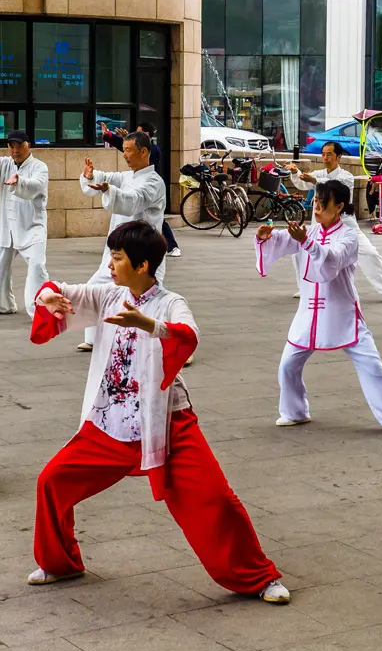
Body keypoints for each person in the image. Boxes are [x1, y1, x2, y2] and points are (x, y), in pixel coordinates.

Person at [26, 221, 290, 602]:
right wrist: (46, 299)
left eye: (117, 258)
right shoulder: (107, 296)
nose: (110, 265)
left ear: (143, 265)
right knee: (51, 481)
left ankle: (258, 577)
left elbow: (188, 335)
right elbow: (59, 291)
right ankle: (60, 562)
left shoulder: (170, 302)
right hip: (108, 423)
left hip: (166, 423)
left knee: (216, 498)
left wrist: (148, 324)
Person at [256, 180, 382, 434]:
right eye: (315, 202)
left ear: (339, 207)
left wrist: (306, 242)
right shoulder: (310, 231)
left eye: (323, 204)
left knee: (372, 366)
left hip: (341, 312)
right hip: (308, 314)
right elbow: (282, 240)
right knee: (288, 365)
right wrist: (264, 238)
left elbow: (332, 261)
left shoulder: (348, 236)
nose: (317, 208)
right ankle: (294, 411)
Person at [77, 131, 167, 352]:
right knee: (95, 287)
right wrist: (91, 176)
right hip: (119, 251)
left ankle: (171, 340)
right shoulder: (127, 176)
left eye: (128, 150)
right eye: (124, 150)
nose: (125, 155)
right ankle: (93, 338)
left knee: (151, 299)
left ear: (143, 152)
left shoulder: (154, 183)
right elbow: (107, 178)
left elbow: (133, 201)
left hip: (143, 251)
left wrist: (110, 191)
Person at [288, 142, 382, 303]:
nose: (325, 157)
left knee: (370, 253)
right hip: (321, 227)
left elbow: (335, 188)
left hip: (345, 225)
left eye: (329, 154)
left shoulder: (346, 176)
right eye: (323, 154)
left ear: (339, 157)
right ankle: (304, 287)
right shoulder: (319, 174)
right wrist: (296, 172)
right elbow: (302, 183)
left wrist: (315, 181)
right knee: (299, 251)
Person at [0, 130, 49, 316]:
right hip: (8, 226)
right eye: (11, 146)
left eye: (19, 146)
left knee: (37, 266)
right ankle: (4, 305)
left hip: (32, 227)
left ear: (28, 145)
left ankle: (39, 308)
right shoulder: (5, 163)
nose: (15, 150)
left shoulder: (40, 167)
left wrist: (19, 181)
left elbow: (35, 186)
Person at [105, 123, 183, 256]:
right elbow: (129, 151)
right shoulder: (140, 153)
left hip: (151, 190)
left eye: (139, 132)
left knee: (159, 222)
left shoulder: (154, 150)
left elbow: (136, 153)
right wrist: (111, 137)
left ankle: (173, 246)